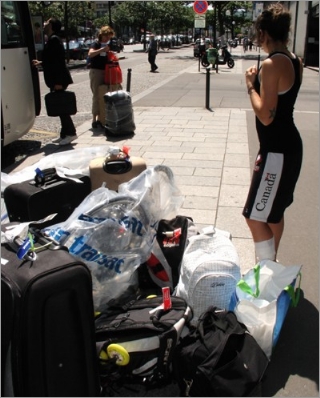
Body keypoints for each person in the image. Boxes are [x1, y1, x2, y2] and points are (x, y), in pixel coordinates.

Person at [243, 3, 303, 262]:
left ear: (263, 33)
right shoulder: (294, 61)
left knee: (254, 216)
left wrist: (250, 86)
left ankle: (266, 269)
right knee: (273, 213)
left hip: (276, 151)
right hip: (286, 147)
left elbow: (266, 115)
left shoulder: (271, 64)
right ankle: (271, 266)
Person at [32, 18, 77, 145]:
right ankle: (64, 134)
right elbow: (52, 60)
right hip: (57, 78)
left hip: (59, 79)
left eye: (46, 22)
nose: (44, 24)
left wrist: (58, 81)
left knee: (62, 107)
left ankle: (71, 133)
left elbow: (58, 62)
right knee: (59, 105)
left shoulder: (54, 40)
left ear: (51, 25)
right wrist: (41, 62)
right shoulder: (52, 40)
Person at [88, 25, 115, 128]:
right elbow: (90, 54)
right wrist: (102, 50)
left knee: (104, 94)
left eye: (109, 37)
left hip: (106, 71)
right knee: (96, 95)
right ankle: (94, 119)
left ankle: (101, 118)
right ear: (102, 35)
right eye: (107, 37)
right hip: (96, 72)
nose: (108, 39)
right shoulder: (96, 43)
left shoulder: (107, 45)